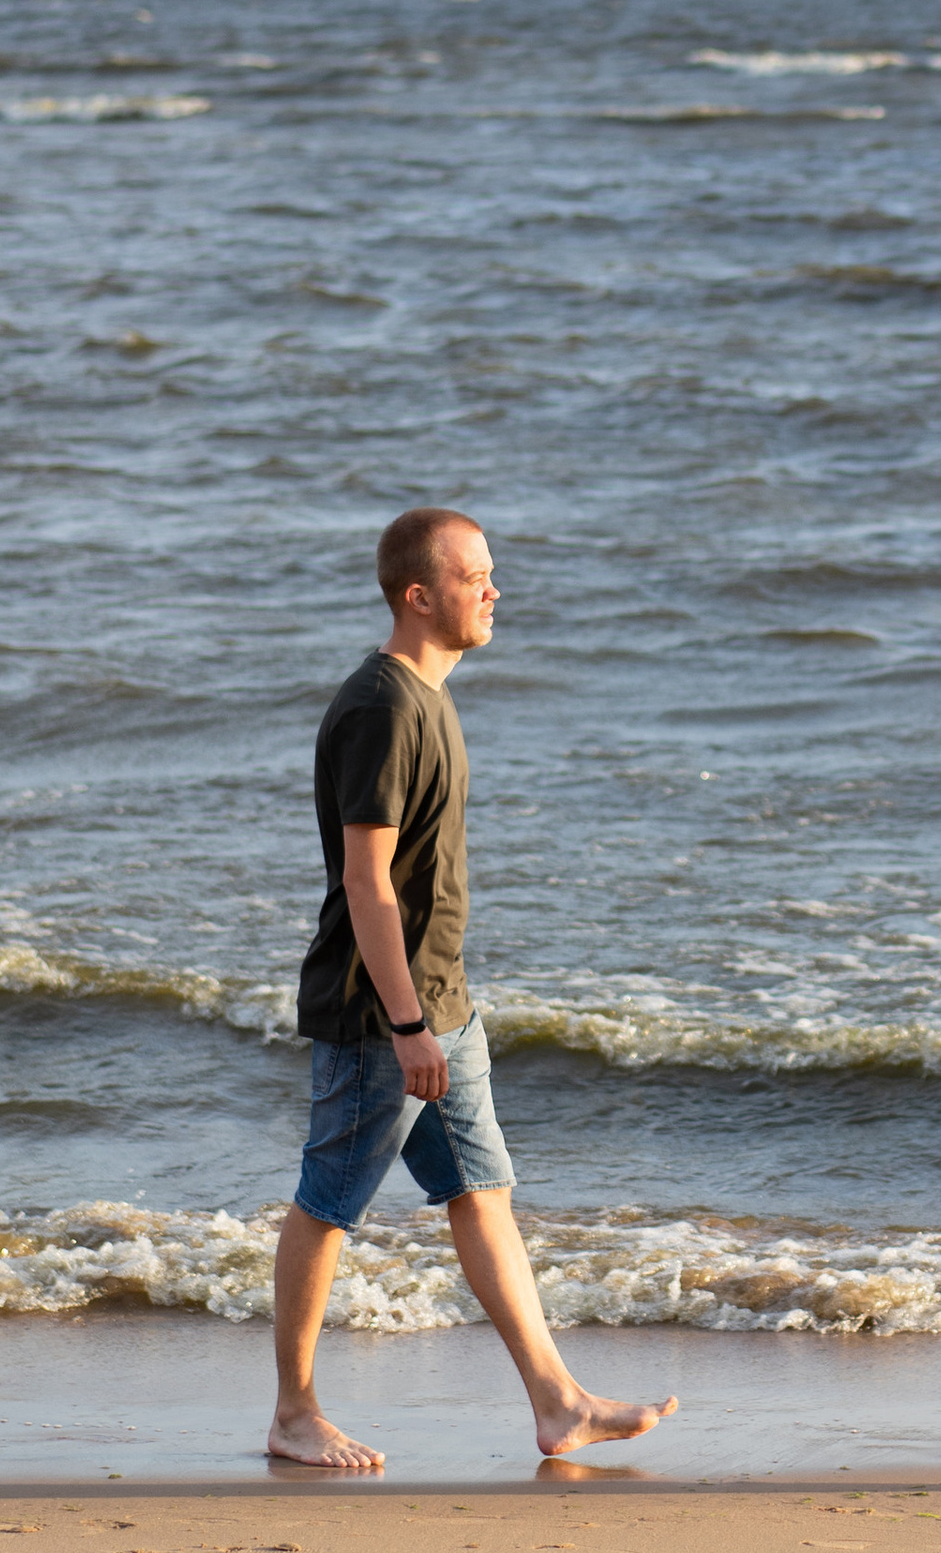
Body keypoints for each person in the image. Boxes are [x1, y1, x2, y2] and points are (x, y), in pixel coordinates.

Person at [267, 506, 678, 1476]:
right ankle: (293, 1412)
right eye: (474, 576)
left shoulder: (429, 697)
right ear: (420, 596)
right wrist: (408, 1024)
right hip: (384, 1014)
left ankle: (558, 1404)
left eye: (491, 573)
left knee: (482, 1192)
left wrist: (437, 1014)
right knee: (327, 1202)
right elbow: (365, 886)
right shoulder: (383, 710)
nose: (494, 590)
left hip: (443, 1003)